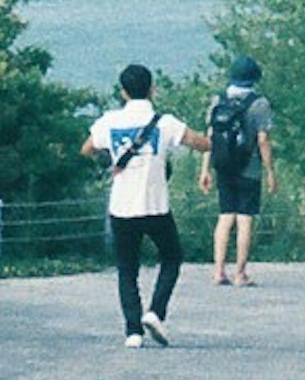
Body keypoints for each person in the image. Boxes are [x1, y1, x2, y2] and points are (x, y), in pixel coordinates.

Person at [89, 63, 206, 346]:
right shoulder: (165, 123)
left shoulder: (110, 121)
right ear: (152, 89)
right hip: (155, 206)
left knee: (127, 269)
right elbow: (201, 143)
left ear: (123, 92)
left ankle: (133, 331)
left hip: (121, 207)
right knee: (172, 257)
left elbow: (88, 147)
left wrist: (111, 157)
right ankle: (155, 311)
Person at [207, 55, 278, 285]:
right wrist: (270, 172)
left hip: (223, 166)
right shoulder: (260, 104)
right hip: (250, 168)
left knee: (225, 216)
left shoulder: (218, 100)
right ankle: (240, 273)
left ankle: (218, 271)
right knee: (245, 219)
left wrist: (205, 169)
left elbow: (211, 137)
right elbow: (263, 139)